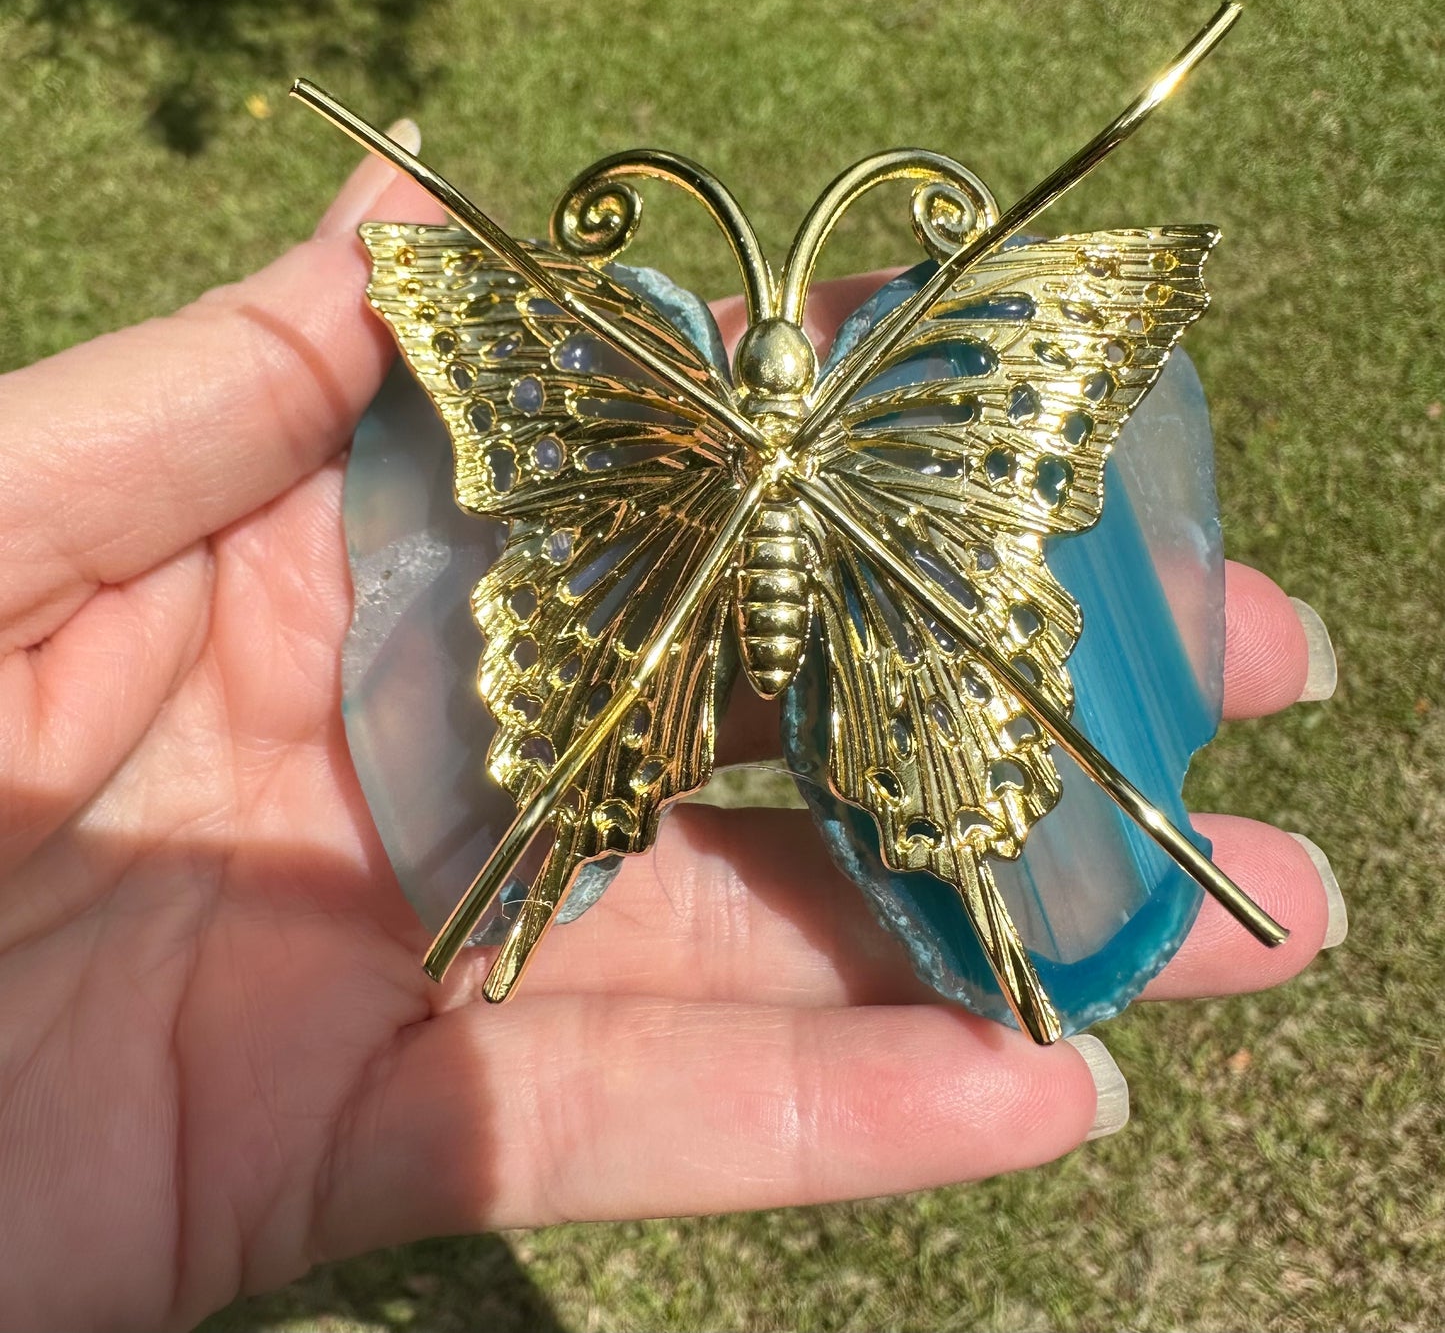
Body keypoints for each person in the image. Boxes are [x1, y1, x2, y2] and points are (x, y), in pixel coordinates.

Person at [0, 123, 1345, 1331]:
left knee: (974, 710)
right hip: (682, 578)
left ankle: (941, 869)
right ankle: (555, 860)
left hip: (744, 574)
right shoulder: (610, 362)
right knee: (706, 723)